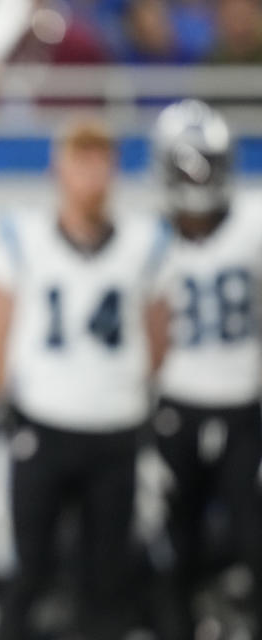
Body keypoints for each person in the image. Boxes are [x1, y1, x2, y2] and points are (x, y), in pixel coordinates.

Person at [0, 118, 170, 640]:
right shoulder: (20, 236)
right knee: (25, 573)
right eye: (78, 158)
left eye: (99, 158)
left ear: (114, 166)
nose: (89, 172)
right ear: (57, 166)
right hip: (41, 420)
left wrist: (121, 389)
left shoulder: (146, 242)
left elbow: (159, 338)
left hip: (117, 427)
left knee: (107, 581)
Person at [148, 99, 262, 638]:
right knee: (176, 544)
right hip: (175, 401)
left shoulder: (253, 222)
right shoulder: (145, 242)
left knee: (252, 538)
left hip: (245, 400)